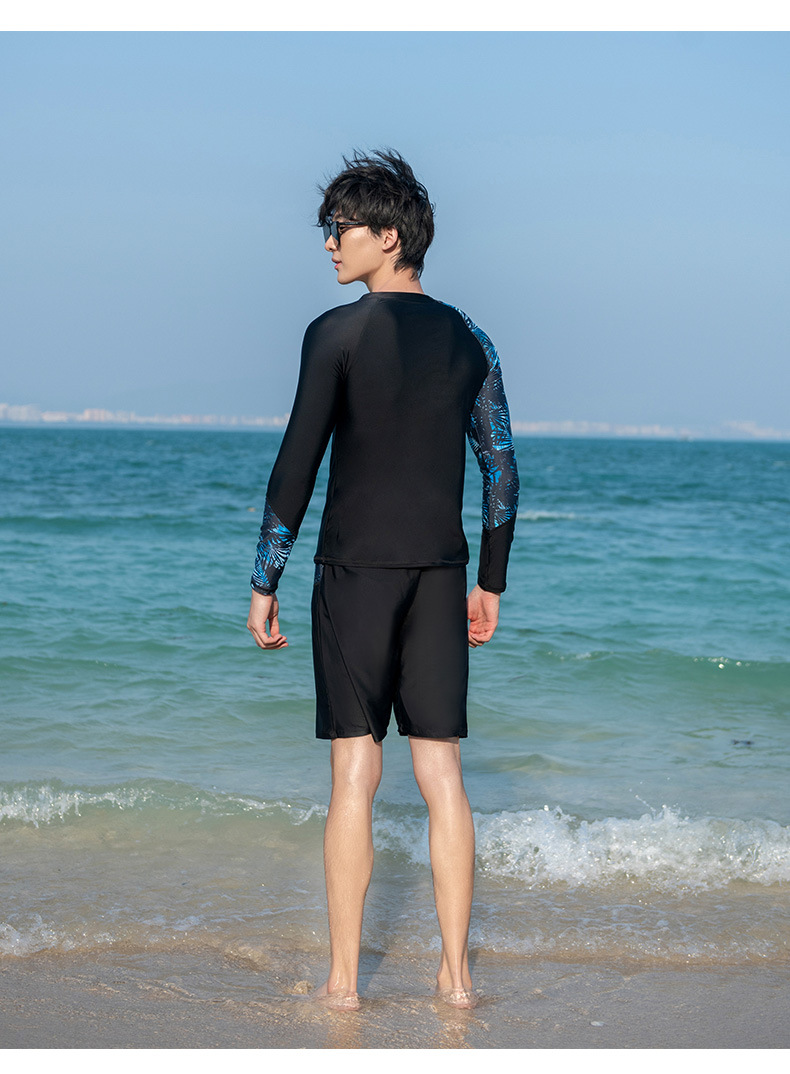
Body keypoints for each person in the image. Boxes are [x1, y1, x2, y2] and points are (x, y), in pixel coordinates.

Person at [246, 150, 518, 1010]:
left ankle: (342, 984)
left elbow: (296, 464)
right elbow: (501, 472)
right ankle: (456, 979)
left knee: (354, 778)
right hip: (441, 575)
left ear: (389, 237)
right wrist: (490, 581)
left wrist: (264, 579)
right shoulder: (473, 339)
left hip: (355, 576)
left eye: (342, 228)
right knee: (443, 777)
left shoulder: (336, 333)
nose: (330, 243)